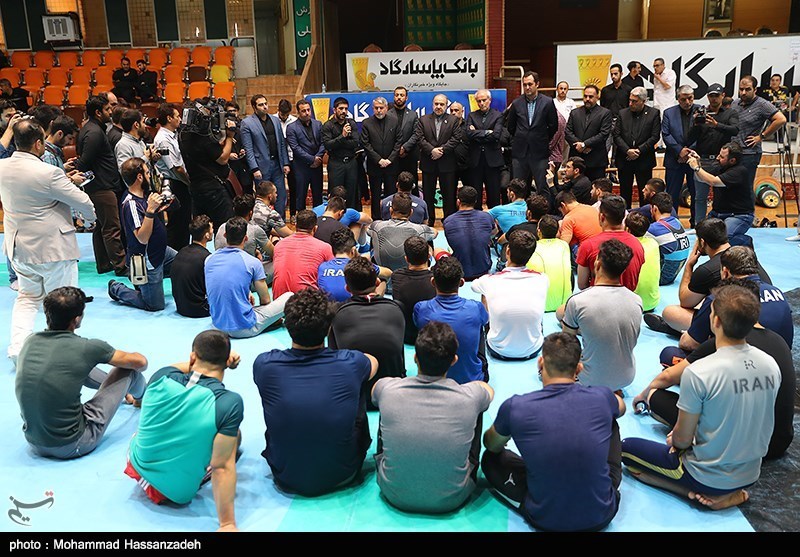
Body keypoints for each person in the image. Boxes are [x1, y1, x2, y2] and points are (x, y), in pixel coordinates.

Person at [622, 284, 779, 511]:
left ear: (716, 321)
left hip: (706, 477)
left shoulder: (700, 372)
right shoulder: (770, 365)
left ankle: (694, 493)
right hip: (751, 474)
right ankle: (726, 493)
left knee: (626, 450)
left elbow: (682, 441)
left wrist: (678, 439)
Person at [635, 277, 795, 461]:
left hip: (732, 452)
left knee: (656, 396)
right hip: (773, 442)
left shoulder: (704, 366)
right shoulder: (776, 349)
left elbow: (681, 438)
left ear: (717, 320)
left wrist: (645, 395)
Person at [482, 332, 625, 532]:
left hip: (545, 518)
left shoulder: (516, 407)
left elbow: (490, 444)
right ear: (579, 369)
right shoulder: (602, 396)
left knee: (490, 459)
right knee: (610, 419)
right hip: (602, 513)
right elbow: (621, 408)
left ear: (540, 363)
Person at [252, 287, 378, 496]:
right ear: (328, 328)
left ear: (287, 326)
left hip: (284, 474)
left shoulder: (265, 364)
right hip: (344, 473)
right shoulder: (351, 362)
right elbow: (373, 362)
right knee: (357, 384)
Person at [126, 330, 242, 531]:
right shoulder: (229, 403)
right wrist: (227, 524)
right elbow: (221, 467)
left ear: (192, 357)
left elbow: (187, 365)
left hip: (135, 465)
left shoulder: (161, 375)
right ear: (225, 362)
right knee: (234, 437)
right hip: (175, 491)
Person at [0, 120, 96, 362]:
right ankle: (60, 353)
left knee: (27, 299)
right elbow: (83, 202)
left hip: (19, 248)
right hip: (53, 249)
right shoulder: (49, 172)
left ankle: (17, 349)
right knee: (63, 303)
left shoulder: (2, 167)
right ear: (38, 144)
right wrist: (89, 221)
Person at [372, 321, 493, 513]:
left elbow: (374, 393)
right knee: (478, 407)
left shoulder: (387, 388)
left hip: (393, 493)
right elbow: (488, 391)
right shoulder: (469, 396)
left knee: (385, 404)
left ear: (415, 358)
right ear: (454, 360)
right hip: (453, 498)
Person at [15, 286, 147, 458]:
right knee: (128, 371)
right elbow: (140, 363)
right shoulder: (87, 348)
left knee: (76, 366)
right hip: (73, 443)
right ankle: (142, 400)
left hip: (34, 442)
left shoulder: (30, 341)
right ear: (77, 319)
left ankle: (126, 393)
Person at [645, 217, 772, 335]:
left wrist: (689, 266)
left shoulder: (707, 270)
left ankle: (690, 334)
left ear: (702, 241)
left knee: (671, 312)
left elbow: (685, 301)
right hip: (766, 315)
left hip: (742, 324)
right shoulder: (743, 254)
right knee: (708, 301)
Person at [561, 239, 642, 392]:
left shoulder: (578, 301)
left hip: (590, 379)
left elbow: (567, 345)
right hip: (627, 377)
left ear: (597, 264)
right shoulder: (637, 301)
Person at [679, 247, 793, 353]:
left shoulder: (721, 298)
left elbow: (689, 343)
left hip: (743, 360)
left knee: (673, 351)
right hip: (782, 356)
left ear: (725, 272)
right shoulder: (777, 291)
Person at [329, 256, 405, 401]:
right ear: (377, 282)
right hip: (391, 394)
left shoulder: (336, 312)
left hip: (352, 396)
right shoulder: (397, 308)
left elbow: (334, 357)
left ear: (347, 288)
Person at [108, 157, 177, 312]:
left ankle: (147, 282)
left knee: (184, 265)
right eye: (147, 173)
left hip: (161, 251)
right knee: (155, 305)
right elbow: (142, 238)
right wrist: (151, 211)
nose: (149, 176)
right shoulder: (131, 204)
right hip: (147, 258)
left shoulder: (145, 194)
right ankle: (117, 288)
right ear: (139, 177)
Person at [205, 216, 291, 338]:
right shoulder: (252, 262)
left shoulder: (209, 259)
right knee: (289, 296)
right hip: (244, 327)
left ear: (225, 235)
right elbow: (265, 300)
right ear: (245, 238)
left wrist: (247, 293)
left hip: (217, 325)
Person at [471, 229, 548, 360]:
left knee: (484, 293)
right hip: (533, 348)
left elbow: (473, 286)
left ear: (507, 252)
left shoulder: (488, 280)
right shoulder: (543, 278)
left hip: (498, 349)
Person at [414, 257, 489, 384]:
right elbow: (486, 321)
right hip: (471, 381)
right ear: (461, 282)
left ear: (433, 282)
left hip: (432, 379)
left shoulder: (421, 308)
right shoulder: (476, 307)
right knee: (479, 325)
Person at [76, 94, 128, 276]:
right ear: (98, 112)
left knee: (101, 226)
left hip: (100, 185)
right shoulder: (94, 133)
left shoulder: (92, 129)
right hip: (102, 186)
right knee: (112, 228)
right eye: (107, 109)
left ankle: (104, 264)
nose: (111, 111)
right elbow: (84, 162)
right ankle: (121, 266)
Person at [179, 102, 237, 234]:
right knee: (224, 228)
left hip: (196, 188)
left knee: (200, 229)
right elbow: (223, 159)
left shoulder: (182, 135)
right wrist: (229, 137)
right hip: (214, 189)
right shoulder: (204, 138)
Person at [686, 83, 739, 223]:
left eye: (716, 95)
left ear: (723, 96)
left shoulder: (730, 113)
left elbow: (735, 130)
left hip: (722, 162)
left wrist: (716, 125)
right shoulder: (701, 113)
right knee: (699, 197)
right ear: (707, 97)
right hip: (703, 160)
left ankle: (720, 224)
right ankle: (699, 225)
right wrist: (695, 124)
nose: (714, 98)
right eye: (711, 96)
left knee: (722, 196)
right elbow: (689, 139)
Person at [688, 142, 754, 247]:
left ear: (732, 161)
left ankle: (745, 241)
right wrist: (698, 163)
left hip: (739, 215)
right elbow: (702, 178)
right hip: (717, 213)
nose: (718, 158)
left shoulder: (739, 171)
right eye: (719, 154)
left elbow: (713, 181)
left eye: (722, 157)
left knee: (724, 239)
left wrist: (696, 167)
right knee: (703, 236)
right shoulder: (720, 166)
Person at [576, 195, 645, 292]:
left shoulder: (588, 245)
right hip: (628, 298)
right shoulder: (637, 244)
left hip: (596, 298)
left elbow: (582, 284)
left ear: (601, 217)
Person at [506, 71, 559, 198]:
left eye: (530, 84)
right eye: (525, 85)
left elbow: (553, 126)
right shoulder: (517, 103)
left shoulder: (547, 102)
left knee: (542, 187)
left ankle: (543, 210)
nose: (527, 87)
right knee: (518, 189)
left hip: (539, 152)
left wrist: (542, 138)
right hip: (520, 153)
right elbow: (510, 126)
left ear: (537, 84)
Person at [414, 94, 463, 225]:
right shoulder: (423, 120)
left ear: (446, 105)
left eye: (442, 104)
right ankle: (429, 220)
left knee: (449, 194)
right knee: (428, 194)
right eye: (436, 104)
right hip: (429, 162)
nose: (439, 106)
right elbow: (419, 138)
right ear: (432, 104)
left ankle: (448, 220)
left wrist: (441, 150)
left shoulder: (453, 120)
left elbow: (456, 138)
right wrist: (432, 150)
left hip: (447, 163)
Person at [240, 95, 291, 218]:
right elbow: (248, 148)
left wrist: (285, 163)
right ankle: (263, 222)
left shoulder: (275, 120)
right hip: (261, 166)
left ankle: (280, 222)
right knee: (263, 198)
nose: (264, 107)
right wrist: (254, 168)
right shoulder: (247, 123)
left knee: (280, 196)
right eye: (260, 105)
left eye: (265, 104)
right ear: (254, 107)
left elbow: (282, 143)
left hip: (277, 164)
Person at [733, 75, 786, 190]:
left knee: (745, 188)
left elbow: (781, 119)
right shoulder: (735, 103)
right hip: (733, 152)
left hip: (749, 153)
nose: (743, 92)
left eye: (748, 89)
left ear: (755, 90)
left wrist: (761, 136)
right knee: (733, 187)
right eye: (741, 89)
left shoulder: (762, 104)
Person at [613, 86, 662, 208]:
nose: (631, 103)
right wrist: (627, 150)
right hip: (625, 159)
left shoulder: (653, 114)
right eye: (630, 100)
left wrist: (639, 151)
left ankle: (645, 216)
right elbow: (616, 135)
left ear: (643, 101)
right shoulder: (622, 113)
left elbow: (654, 136)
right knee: (625, 193)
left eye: (634, 101)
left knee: (645, 193)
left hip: (644, 160)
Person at [154, 103, 192, 250]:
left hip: (178, 182)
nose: (180, 119)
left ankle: (181, 251)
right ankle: (174, 255)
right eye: (177, 116)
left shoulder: (173, 135)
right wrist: (189, 182)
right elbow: (176, 168)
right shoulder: (164, 139)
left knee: (183, 222)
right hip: (175, 183)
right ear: (169, 118)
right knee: (177, 223)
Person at [271, 209, 334, 299]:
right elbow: (333, 275)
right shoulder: (325, 247)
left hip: (278, 301)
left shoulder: (279, 245)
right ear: (315, 228)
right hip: (307, 302)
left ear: (295, 225)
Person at [368, 193, 437, 272]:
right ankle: (422, 270)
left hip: (383, 269)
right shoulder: (420, 229)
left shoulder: (376, 226)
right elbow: (435, 233)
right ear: (411, 212)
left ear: (391, 210)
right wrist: (427, 230)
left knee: (373, 236)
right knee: (428, 240)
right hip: (410, 269)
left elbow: (367, 231)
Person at [318, 227, 391, 302]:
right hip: (354, 305)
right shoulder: (358, 266)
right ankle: (374, 304)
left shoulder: (322, 267)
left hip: (328, 307)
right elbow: (388, 273)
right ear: (353, 250)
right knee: (382, 279)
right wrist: (360, 258)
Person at [662, 85, 700, 225]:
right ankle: (672, 224)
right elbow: (666, 134)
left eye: (690, 98)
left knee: (696, 194)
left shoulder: (701, 110)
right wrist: (679, 151)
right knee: (671, 195)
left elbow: (704, 133)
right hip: (674, 159)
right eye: (684, 99)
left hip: (694, 158)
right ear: (678, 98)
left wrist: (688, 151)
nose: (687, 102)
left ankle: (696, 223)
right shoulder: (668, 113)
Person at [214, 194, 274, 281]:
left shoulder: (222, 227)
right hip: (246, 279)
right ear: (251, 213)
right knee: (278, 263)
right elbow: (273, 252)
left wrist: (255, 252)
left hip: (222, 275)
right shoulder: (254, 230)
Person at [443, 186, 496, 280]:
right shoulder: (487, 217)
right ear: (475, 201)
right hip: (483, 269)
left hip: (459, 271)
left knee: (438, 250)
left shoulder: (448, 221)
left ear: (458, 201)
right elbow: (494, 232)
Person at [360, 96, 402, 218]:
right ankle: (376, 219)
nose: (379, 110)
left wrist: (389, 159)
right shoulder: (367, 123)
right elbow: (366, 144)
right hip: (374, 165)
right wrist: (379, 160)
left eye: (381, 108)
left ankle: (390, 218)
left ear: (386, 108)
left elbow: (398, 142)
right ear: (373, 108)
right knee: (375, 194)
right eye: (376, 108)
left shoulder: (394, 121)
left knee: (391, 194)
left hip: (391, 165)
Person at [391, 236, 437, 344]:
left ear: (406, 259)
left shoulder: (396, 276)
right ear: (429, 256)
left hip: (404, 335)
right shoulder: (436, 278)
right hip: (430, 335)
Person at [466, 89, 504, 209]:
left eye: (484, 100)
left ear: (490, 100)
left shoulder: (498, 115)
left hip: (492, 160)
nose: (481, 103)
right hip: (476, 160)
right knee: (475, 195)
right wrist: (487, 132)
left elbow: (496, 135)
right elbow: (469, 134)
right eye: (479, 101)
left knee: (494, 195)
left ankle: (494, 218)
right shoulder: (472, 115)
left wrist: (477, 133)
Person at [565, 85, 612, 181]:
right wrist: (579, 145)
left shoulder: (605, 113)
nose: (587, 99)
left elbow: (603, 134)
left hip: (596, 160)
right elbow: (568, 132)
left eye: (591, 97)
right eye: (585, 96)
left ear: (597, 97)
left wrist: (585, 144)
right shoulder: (575, 112)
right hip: (576, 160)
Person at [170, 214, 213, 318]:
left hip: (180, 307)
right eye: (212, 229)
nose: (213, 231)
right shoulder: (207, 258)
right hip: (199, 310)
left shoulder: (181, 252)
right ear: (207, 235)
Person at [286, 99, 325, 212]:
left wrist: (318, 157)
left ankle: (318, 218)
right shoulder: (292, 127)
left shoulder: (318, 124)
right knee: (300, 196)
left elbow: (323, 143)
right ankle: (302, 219)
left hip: (317, 166)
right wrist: (312, 159)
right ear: (298, 112)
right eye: (303, 111)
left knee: (318, 196)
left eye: (308, 110)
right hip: (301, 167)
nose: (307, 113)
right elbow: (295, 148)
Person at [322, 97, 361, 208]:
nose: (344, 111)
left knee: (352, 192)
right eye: (341, 108)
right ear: (334, 110)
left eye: (346, 109)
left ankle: (351, 215)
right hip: (336, 163)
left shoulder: (351, 123)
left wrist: (338, 143)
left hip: (351, 162)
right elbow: (328, 145)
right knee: (336, 192)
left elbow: (356, 143)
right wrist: (343, 136)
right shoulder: (328, 125)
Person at [528, 215, 573, 312]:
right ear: (557, 232)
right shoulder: (564, 245)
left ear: (539, 231)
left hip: (540, 306)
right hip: (564, 304)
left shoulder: (533, 247)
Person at [647, 191, 690, 285]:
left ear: (654, 208)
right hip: (674, 273)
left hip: (661, 277)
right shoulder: (677, 221)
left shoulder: (654, 228)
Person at [625, 212, 661, 313]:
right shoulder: (654, 243)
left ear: (627, 229)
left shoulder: (625, 246)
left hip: (631, 306)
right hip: (652, 302)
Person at [391, 86, 420, 190]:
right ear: (394, 97)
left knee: (412, 185)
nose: (399, 97)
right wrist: (397, 149)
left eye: (402, 95)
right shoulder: (388, 114)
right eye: (397, 95)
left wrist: (405, 148)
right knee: (393, 186)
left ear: (406, 98)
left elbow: (416, 134)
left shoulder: (413, 114)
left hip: (409, 156)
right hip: (393, 156)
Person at [276, 99, 297, 220]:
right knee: (277, 188)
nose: (284, 116)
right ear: (278, 110)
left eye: (287, 114)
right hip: (277, 158)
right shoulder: (272, 120)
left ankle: (293, 213)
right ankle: (277, 214)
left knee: (293, 187)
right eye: (282, 114)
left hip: (292, 157)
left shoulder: (294, 121)